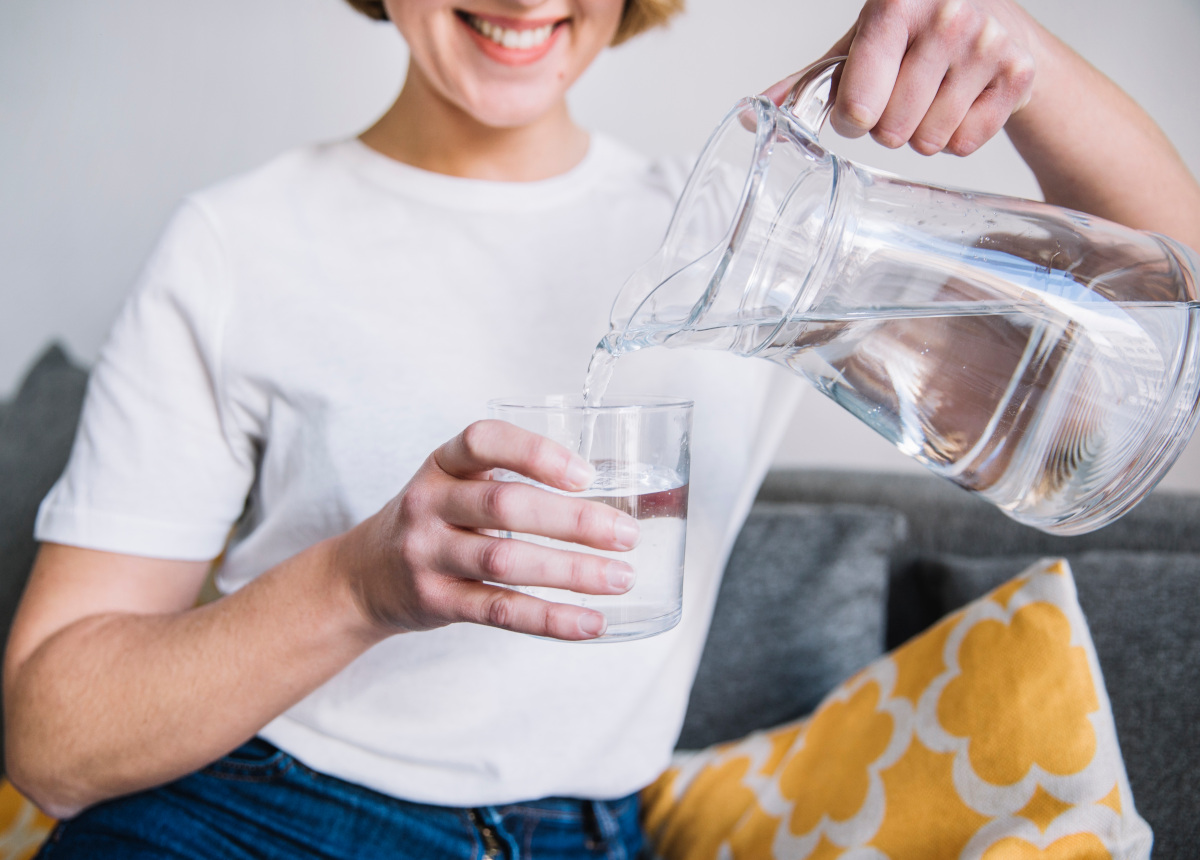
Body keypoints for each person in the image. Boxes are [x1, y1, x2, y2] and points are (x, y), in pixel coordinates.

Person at [5, 0, 1199, 857]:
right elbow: (52, 739)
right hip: (266, 810)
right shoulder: (239, 242)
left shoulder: (738, 237)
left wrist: (1015, 47)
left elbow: (1172, 314)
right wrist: (362, 583)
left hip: (591, 830)